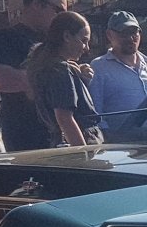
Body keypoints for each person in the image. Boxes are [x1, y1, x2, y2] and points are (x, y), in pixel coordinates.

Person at [0, 0, 68, 152]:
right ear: (36, 4)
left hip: (58, 133)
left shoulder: (55, 43)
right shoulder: (8, 37)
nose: (61, 19)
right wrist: (53, 76)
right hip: (26, 135)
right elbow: (0, 79)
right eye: (58, 11)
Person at [25, 10, 102, 148]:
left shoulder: (46, 66)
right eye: (83, 40)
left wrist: (77, 78)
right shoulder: (61, 70)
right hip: (81, 139)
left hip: (58, 141)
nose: (87, 48)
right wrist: (83, 155)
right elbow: (65, 119)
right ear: (66, 36)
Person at [88, 11, 147, 131]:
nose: (130, 38)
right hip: (122, 144)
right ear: (109, 35)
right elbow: (94, 112)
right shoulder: (99, 67)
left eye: (134, 33)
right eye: (123, 34)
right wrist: (108, 139)